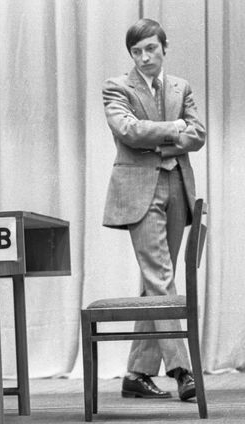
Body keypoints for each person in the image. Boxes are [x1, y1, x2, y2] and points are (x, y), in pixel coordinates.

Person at [102, 19, 206, 401]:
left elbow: (198, 135)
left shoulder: (181, 87)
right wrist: (174, 129)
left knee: (155, 281)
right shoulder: (116, 87)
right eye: (137, 51)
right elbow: (127, 131)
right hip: (138, 192)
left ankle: (137, 373)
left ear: (164, 47)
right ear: (130, 54)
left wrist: (162, 140)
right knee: (161, 277)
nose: (144, 57)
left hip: (177, 186)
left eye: (151, 49)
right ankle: (182, 370)